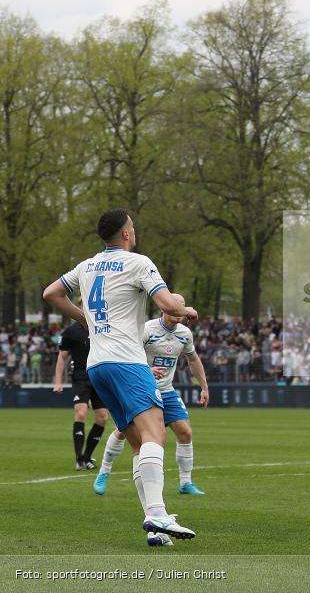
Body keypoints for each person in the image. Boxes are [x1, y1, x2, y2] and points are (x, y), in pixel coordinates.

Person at [42, 208, 199, 545]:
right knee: (156, 433)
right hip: (128, 362)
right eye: (133, 227)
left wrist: (82, 317)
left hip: (97, 366)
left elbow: (50, 293)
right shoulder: (138, 262)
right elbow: (168, 305)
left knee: (138, 443)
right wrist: (186, 310)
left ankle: (154, 527)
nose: (135, 231)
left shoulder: (86, 266)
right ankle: (157, 512)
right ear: (126, 233)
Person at [93, 293, 210, 500]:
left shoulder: (184, 334)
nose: (178, 312)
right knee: (123, 431)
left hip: (166, 390)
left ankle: (185, 482)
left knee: (185, 432)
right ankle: (104, 471)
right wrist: (147, 369)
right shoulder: (148, 329)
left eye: (181, 307)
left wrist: (204, 387)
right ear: (165, 307)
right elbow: (126, 353)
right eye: (175, 306)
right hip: (140, 388)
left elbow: (193, 360)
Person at [53, 321, 109, 470]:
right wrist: (58, 381)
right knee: (81, 412)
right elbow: (62, 357)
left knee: (103, 418)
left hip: (100, 378)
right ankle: (79, 459)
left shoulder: (103, 327)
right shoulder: (71, 331)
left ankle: (87, 457)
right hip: (81, 378)